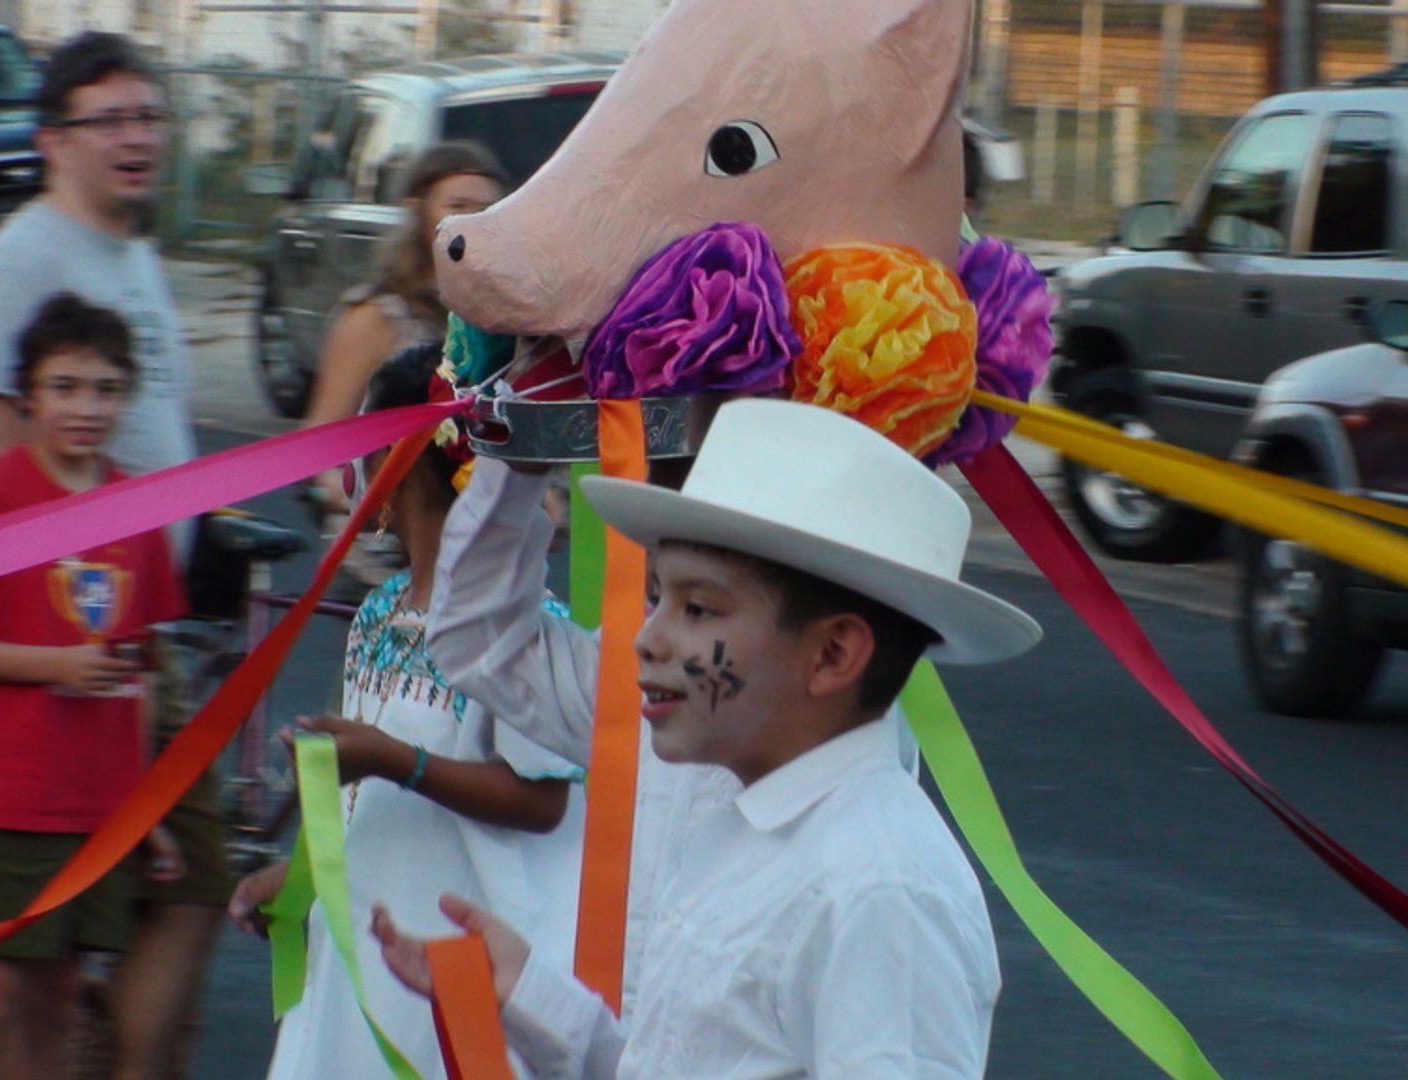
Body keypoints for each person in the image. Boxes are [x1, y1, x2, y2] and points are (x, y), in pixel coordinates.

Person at [376, 398, 1042, 1077]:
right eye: (657, 595)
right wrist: (528, 995)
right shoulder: (744, 830)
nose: (647, 637)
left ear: (834, 655)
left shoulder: (879, 888)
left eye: (697, 608)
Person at [0, 32, 228, 1079]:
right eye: (110, 120)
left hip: (129, 640)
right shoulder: (23, 258)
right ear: (50, 138)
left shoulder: (131, 253)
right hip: (70, 658)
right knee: (10, 965)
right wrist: (67, 653)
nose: (138, 138)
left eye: (150, 116)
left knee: (80, 940)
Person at [226, 343, 586, 1079]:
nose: (345, 469)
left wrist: (400, 762)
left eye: (360, 445)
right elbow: (358, 798)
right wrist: (301, 883)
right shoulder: (380, 613)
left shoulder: (517, 630)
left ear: (397, 459)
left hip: (449, 952)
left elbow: (545, 799)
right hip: (362, 940)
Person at [0, 294, 187, 1080]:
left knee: (60, 994)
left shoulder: (138, 509)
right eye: (65, 387)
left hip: (96, 803)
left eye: (105, 389)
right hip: (5, 794)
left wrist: (146, 814)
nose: (86, 407)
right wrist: (54, 667)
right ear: (28, 396)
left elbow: (135, 673)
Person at [299, 142, 507, 509]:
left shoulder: (499, 317)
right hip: (387, 540)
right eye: (457, 207)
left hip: (476, 544)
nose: (474, 222)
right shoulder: (379, 314)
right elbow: (318, 444)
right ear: (418, 213)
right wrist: (367, 502)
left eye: (487, 210)